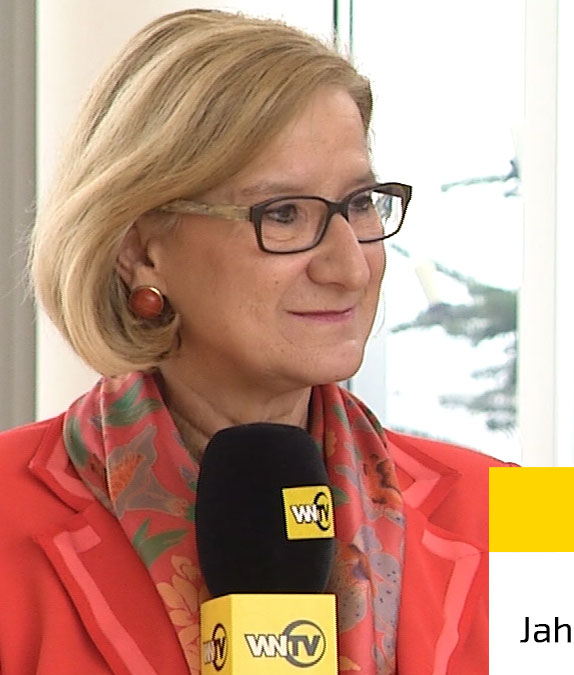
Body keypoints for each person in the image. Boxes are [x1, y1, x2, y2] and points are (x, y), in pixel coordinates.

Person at [0, 9, 507, 674]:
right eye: (285, 214)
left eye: (360, 204)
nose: (350, 267)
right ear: (141, 250)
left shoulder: (525, 513)